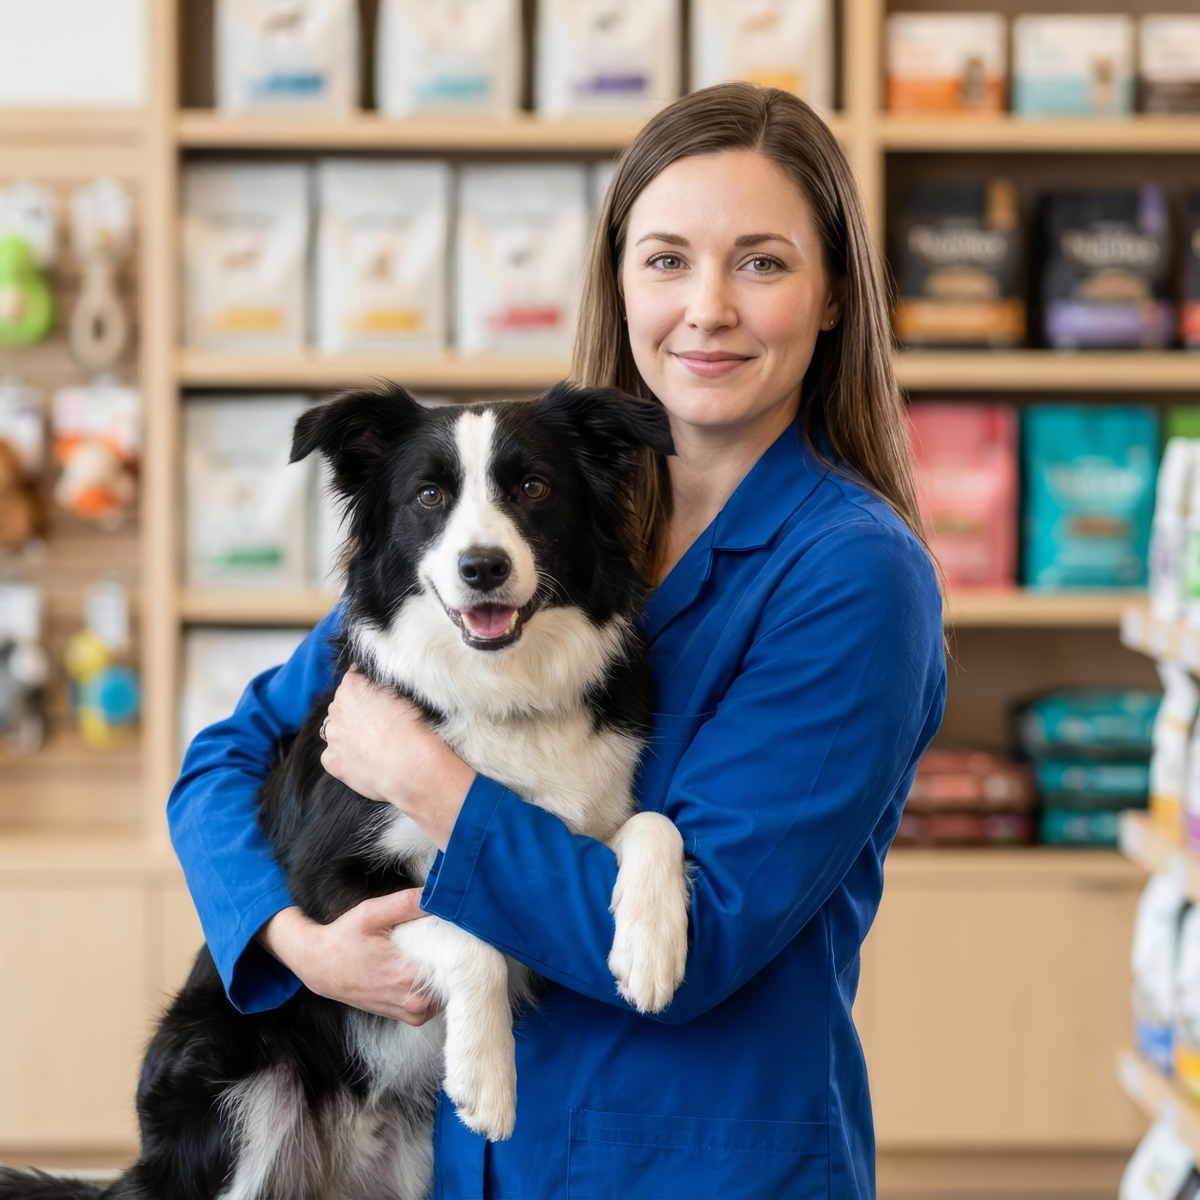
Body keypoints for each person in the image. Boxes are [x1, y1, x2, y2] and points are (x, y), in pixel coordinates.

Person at [170, 82, 946, 1199]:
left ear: (832, 297)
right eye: (668, 259)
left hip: (690, 1168)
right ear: (620, 280)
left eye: (763, 262)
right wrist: (297, 944)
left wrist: (429, 780)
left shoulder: (852, 575)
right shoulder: (520, 518)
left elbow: (699, 941)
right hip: (472, 1163)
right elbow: (225, 758)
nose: (708, 308)